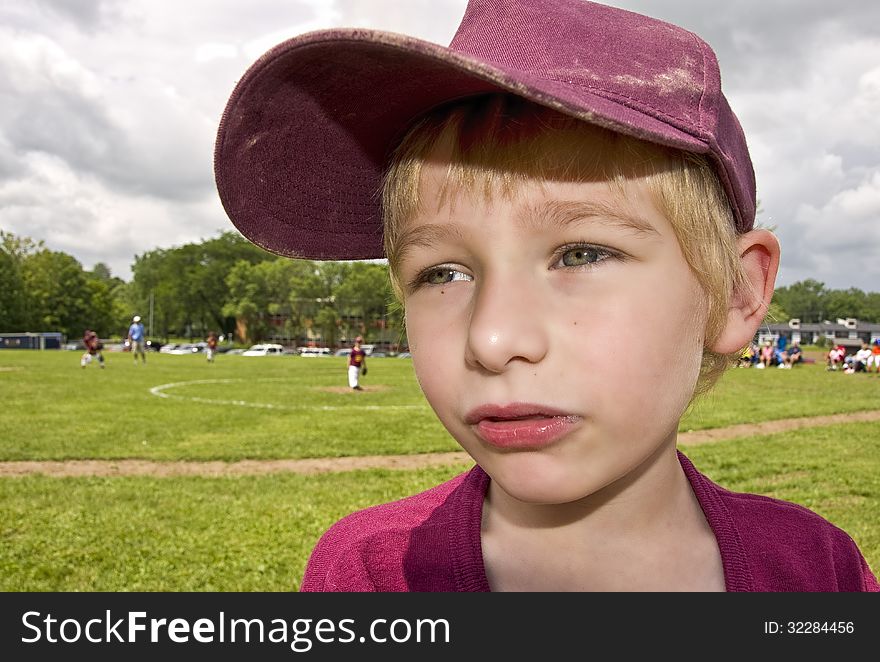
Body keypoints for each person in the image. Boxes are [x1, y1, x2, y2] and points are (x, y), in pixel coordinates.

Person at [214, 0, 878, 591]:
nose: (493, 339)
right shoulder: (372, 576)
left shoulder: (819, 573)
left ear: (736, 292)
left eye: (582, 254)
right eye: (442, 273)